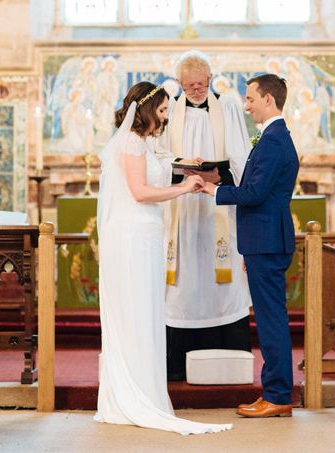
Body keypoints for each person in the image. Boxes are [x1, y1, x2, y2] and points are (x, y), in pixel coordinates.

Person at [95, 81, 232, 435]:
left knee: (148, 312)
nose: (166, 116)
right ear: (146, 110)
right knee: (136, 311)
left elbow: (160, 162)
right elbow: (140, 192)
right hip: (132, 237)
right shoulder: (128, 142)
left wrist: (188, 165)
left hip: (147, 236)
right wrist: (185, 187)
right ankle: (132, 394)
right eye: (162, 110)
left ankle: (147, 393)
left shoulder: (144, 143)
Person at [202, 74, 299, 418]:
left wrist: (213, 191)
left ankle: (278, 396)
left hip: (267, 241)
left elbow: (255, 194)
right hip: (263, 241)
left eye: (250, 99)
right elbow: (257, 186)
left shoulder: (273, 140)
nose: (246, 105)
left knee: (272, 321)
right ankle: (273, 392)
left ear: (269, 100)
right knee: (271, 319)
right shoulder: (273, 137)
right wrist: (221, 179)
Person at [159, 50, 252, 381]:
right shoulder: (169, 111)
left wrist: (218, 176)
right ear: (179, 83)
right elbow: (158, 159)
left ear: (210, 80)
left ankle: (227, 360)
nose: (196, 90)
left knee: (219, 283)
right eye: (189, 85)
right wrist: (180, 170)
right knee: (183, 281)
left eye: (201, 84)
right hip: (181, 209)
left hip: (218, 208)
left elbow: (241, 158)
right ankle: (175, 365)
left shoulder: (226, 108)